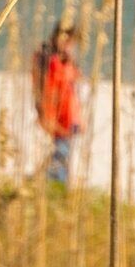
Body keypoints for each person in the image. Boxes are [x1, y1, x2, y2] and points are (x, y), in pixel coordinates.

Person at [30, 21, 84, 185]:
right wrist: (45, 115)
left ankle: (43, 183)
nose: (70, 45)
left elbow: (72, 86)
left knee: (61, 154)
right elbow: (44, 89)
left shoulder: (65, 59)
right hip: (55, 116)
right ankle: (52, 186)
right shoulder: (48, 59)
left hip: (69, 116)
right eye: (68, 40)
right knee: (60, 154)